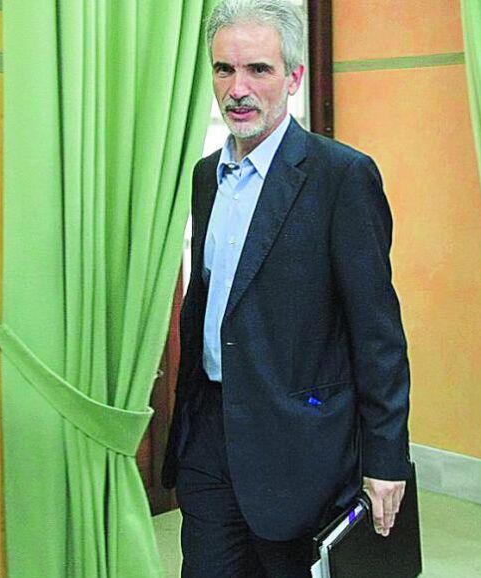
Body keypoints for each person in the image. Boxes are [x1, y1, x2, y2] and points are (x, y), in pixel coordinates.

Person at [160, 1, 411, 576]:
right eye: (224, 69)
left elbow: (377, 331)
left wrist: (386, 457)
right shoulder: (205, 176)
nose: (238, 89)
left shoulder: (341, 177)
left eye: (258, 70)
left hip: (302, 447)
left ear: (294, 78)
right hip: (210, 436)